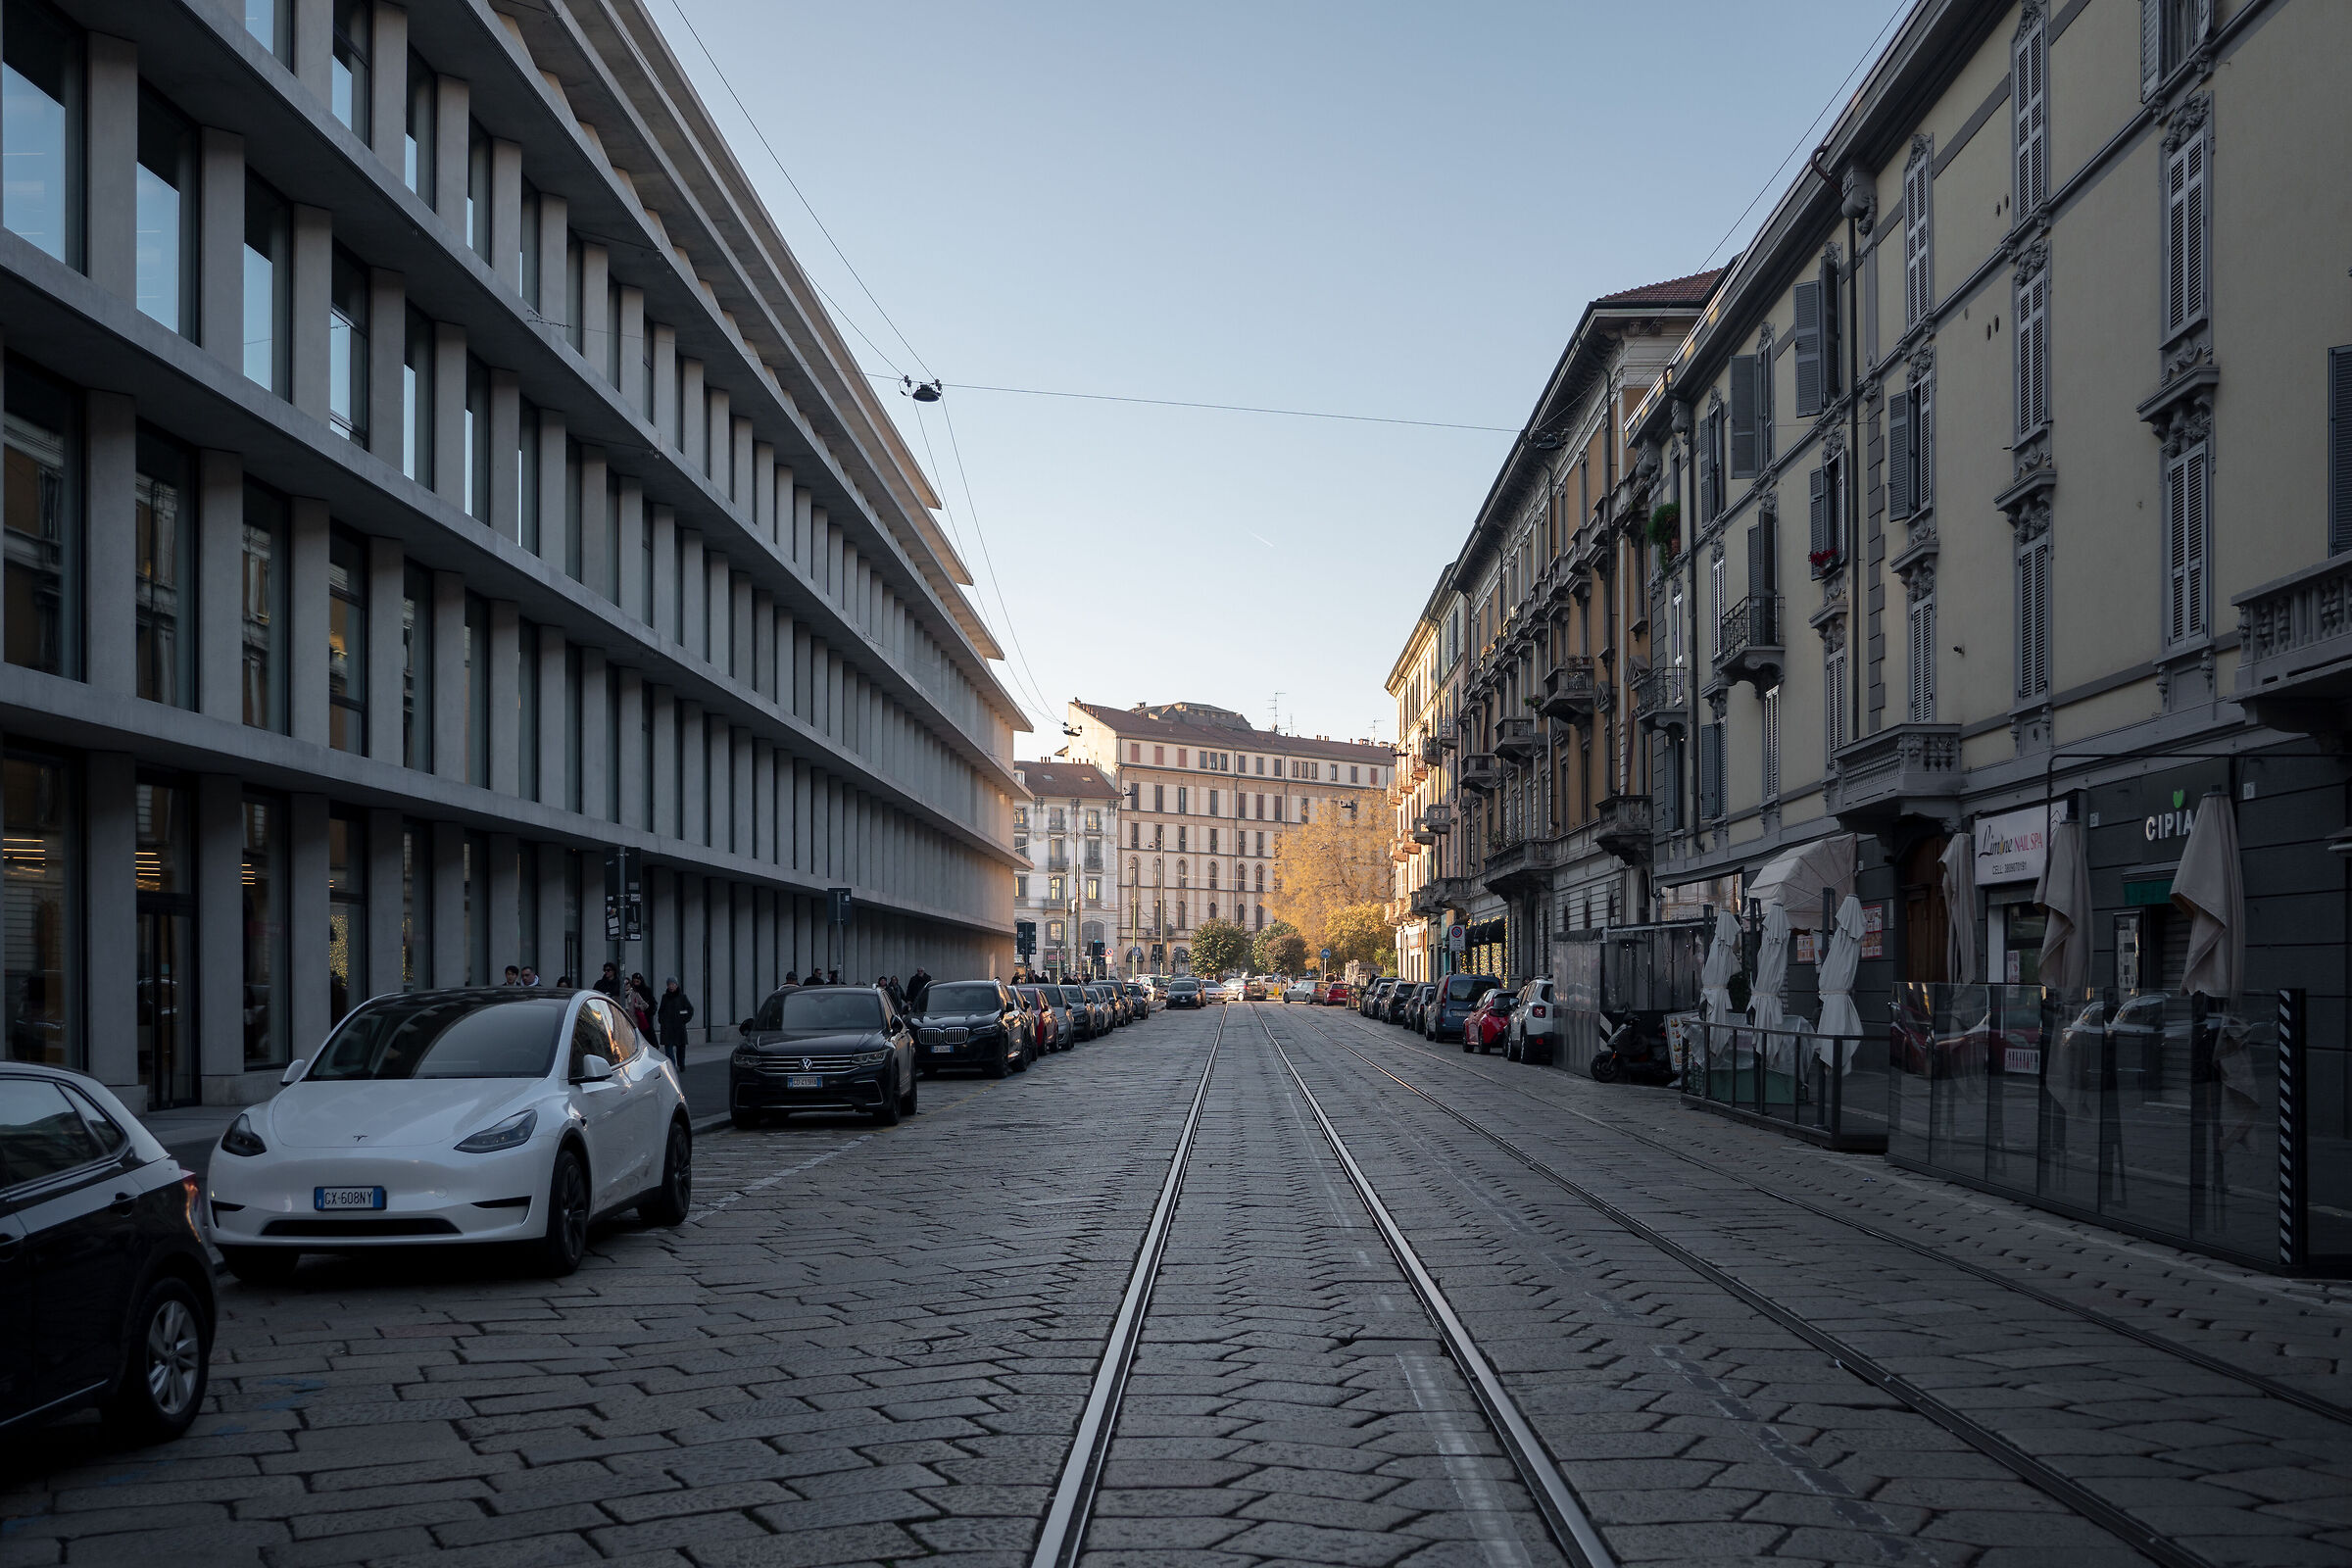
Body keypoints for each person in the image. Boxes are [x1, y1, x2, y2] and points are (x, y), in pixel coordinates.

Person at [658, 976, 695, 1068]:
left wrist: (683, 1020)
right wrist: (661, 1020)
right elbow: (661, 1010)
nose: (671, 986)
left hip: (679, 1027)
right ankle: (672, 1066)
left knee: (681, 1047)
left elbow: (689, 1010)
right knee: (668, 1048)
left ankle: (681, 1064)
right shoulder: (665, 997)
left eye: (673, 984)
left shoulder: (682, 997)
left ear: (676, 985)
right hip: (667, 1027)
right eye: (669, 984)